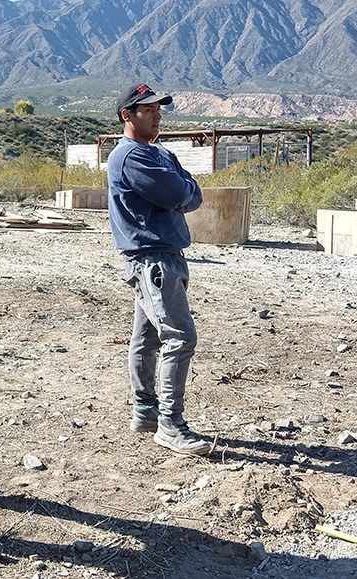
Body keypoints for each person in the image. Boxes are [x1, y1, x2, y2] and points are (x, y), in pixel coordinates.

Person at [106, 83, 212, 457]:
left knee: (147, 337)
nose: (157, 115)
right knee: (179, 337)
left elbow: (191, 193)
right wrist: (183, 189)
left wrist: (183, 188)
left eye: (158, 109)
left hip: (160, 258)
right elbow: (179, 194)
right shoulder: (134, 158)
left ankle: (146, 410)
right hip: (154, 260)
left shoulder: (156, 153)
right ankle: (170, 423)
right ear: (127, 115)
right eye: (147, 110)